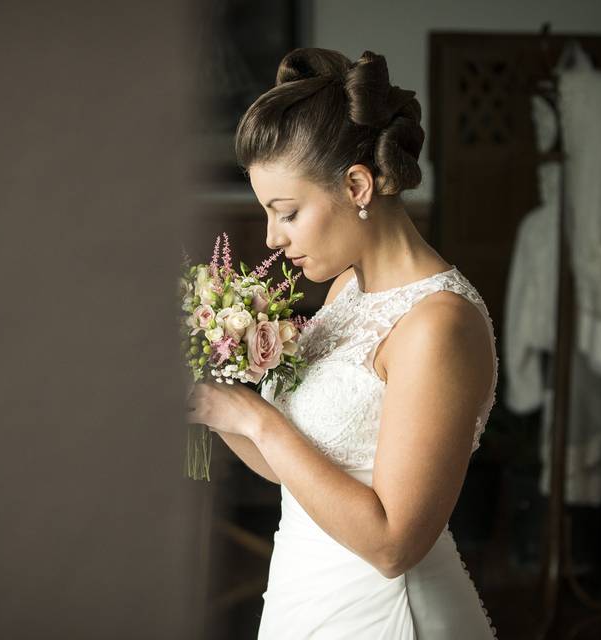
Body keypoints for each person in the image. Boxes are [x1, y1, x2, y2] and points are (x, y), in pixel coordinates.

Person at [186, 48, 500, 638]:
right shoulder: (347, 292)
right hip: (305, 595)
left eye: (288, 212)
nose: (274, 239)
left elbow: (392, 546)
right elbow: (297, 472)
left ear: (357, 185)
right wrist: (213, 404)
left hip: (383, 613)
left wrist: (258, 419)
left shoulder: (438, 325)